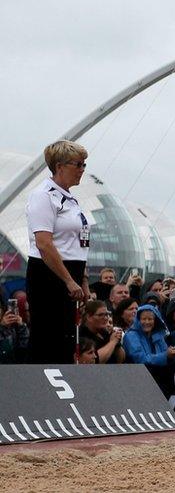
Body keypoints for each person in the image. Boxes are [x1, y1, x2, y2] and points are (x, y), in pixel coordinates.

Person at [25, 140, 94, 363]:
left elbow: (76, 243)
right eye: (78, 164)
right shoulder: (44, 196)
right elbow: (44, 243)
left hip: (71, 272)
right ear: (60, 166)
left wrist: (81, 280)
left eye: (84, 164)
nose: (82, 170)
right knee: (48, 339)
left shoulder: (70, 199)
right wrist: (68, 281)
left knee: (66, 339)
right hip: (49, 274)